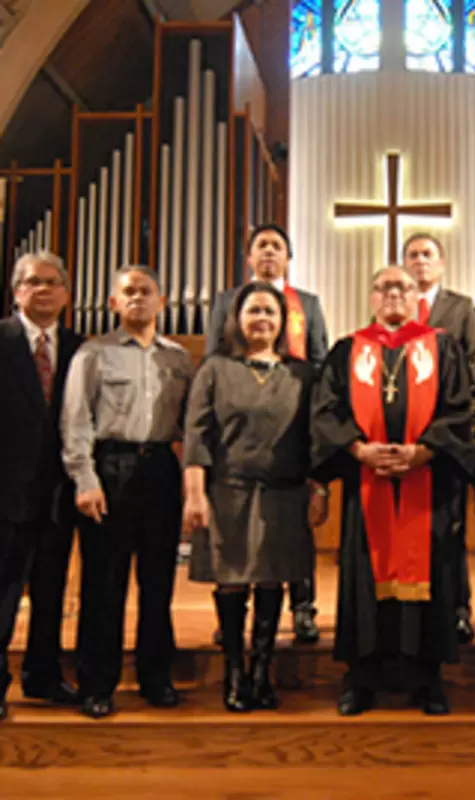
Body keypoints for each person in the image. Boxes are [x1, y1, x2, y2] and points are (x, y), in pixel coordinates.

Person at [311, 265, 475, 716]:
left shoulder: (443, 347)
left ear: (416, 295)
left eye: (402, 287)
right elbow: (325, 411)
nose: (393, 295)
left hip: (428, 484)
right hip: (367, 488)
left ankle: (428, 680)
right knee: (366, 579)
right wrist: (358, 450)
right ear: (371, 298)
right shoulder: (348, 351)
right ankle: (361, 679)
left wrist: (426, 451)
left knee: (430, 578)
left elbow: (460, 409)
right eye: (384, 288)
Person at [182, 282, 326, 712]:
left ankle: (261, 672)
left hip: (284, 493)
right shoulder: (215, 369)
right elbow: (196, 435)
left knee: (272, 578)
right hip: (228, 491)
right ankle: (233, 673)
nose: (261, 319)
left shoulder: (302, 374)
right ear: (238, 320)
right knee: (231, 582)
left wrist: (318, 489)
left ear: (283, 321)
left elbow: (314, 439)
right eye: (253, 311)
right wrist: (194, 493)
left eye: (269, 312)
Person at [61, 266, 193, 719]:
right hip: (109, 468)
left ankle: (156, 677)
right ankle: (97, 683)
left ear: (162, 301)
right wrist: (85, 479)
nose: (138, 299)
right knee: (104, 582)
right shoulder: (93, 354)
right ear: (113, 303)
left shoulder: (178, 359)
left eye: (146, 292)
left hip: (160, 467)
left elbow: (191, 425)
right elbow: (75, 420)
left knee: (157, 582)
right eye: (128, 292)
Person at [207, 223, 328, 644]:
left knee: (293, 534)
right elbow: (215, 357)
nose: (269, 253)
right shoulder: (227, 301)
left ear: (288, 257)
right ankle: (231, 626)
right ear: (249, 257)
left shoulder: (307, 304)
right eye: (261, 246)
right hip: (241, 426)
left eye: (277, 247)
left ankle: (303, 608)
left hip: (291, 422)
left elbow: (319, 362)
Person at [0, 252, 83, 721]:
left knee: (51, 591)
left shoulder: (78, 347)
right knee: (4, 591)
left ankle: (44, 676)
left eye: (53, 283)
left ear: (67, 294)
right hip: (6, 492)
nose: (44, 290)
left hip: (57, 495)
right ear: (17, 291)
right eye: (34, 282)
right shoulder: (2, 339)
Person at [403, 232, 475, 644]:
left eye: (427, 254)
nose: (420, 261)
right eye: (412, 255)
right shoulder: (395, 307)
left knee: (449, 529)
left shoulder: (460, 307)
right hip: (403, 436)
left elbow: (473, 362)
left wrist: (441, 416)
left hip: (445, 432)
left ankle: (458, 609)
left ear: (442, 262)